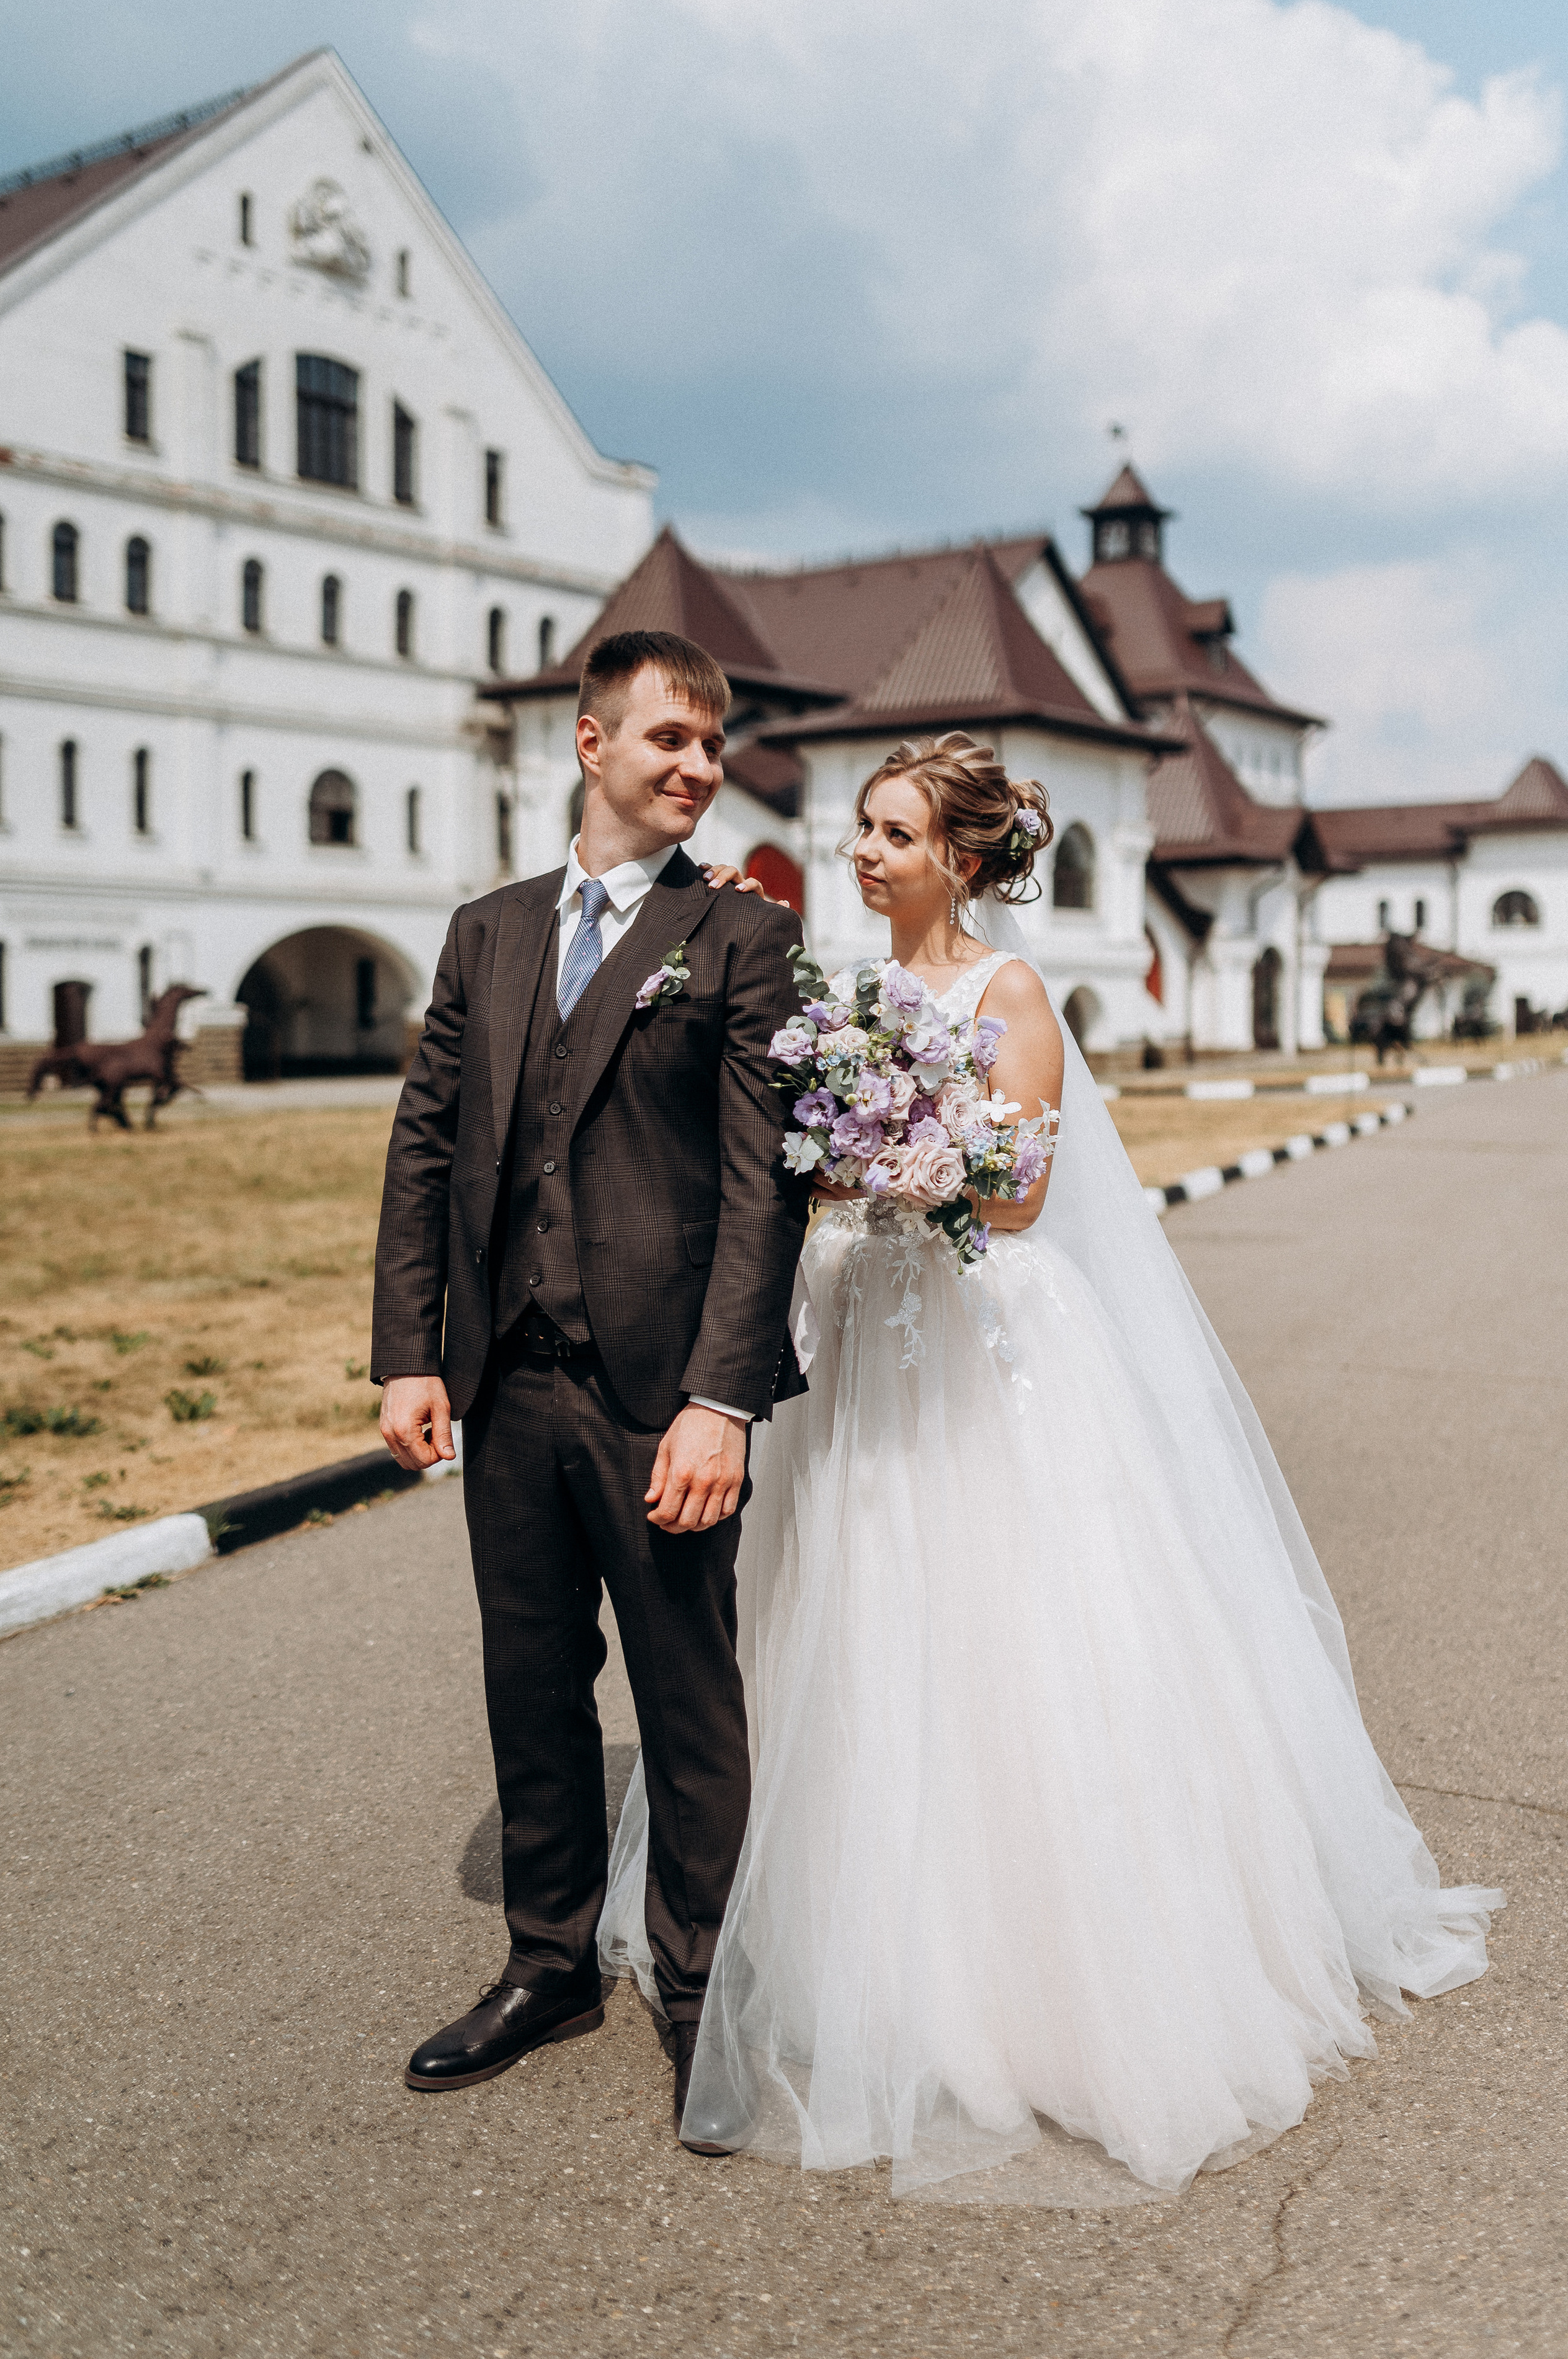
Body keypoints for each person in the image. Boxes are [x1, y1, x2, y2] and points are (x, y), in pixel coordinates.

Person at [599, 729, 1502, 2198]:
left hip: (974, 1332)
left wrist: (893, 1158)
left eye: (890, 833)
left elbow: (1014, 1196)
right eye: (864, 830)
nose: (863, 852)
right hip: (858, 1333)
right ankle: (858, 1941)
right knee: (852, 1602)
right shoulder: (840, 989)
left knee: (1006, 1617)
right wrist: (829, 1155)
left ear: (956, 858)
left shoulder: (1004, 990)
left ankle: (1039, 1974)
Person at [371, 629, 808, 2134]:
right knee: (530, 1680)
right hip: (506, 1386)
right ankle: (547, 1961)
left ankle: (701, 1987)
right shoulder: (485, 932)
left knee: (688, 1696)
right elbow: (427, 1147)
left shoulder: (741, 938)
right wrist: (407, 1352)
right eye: (670, 740)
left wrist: (722, 1399)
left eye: (712, 745)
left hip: (659, 1396)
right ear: (590, 742)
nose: (698, 767)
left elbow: (765, 1191)